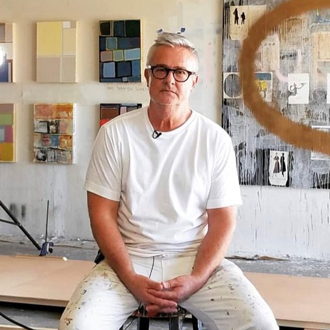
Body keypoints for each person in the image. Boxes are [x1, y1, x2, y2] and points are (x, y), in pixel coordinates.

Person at [59, 32, 278, 330]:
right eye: (161, 70)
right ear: (147, 76)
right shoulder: (115, 134)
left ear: (194, 81)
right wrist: (131, 279)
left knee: (261, 324)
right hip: (128, 259)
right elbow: (101, 215)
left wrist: (197, 278)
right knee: (77, 326)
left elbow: (223, 222)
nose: (170, 79)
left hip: (193, 259)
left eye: (181, 72)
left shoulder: (214, 140)